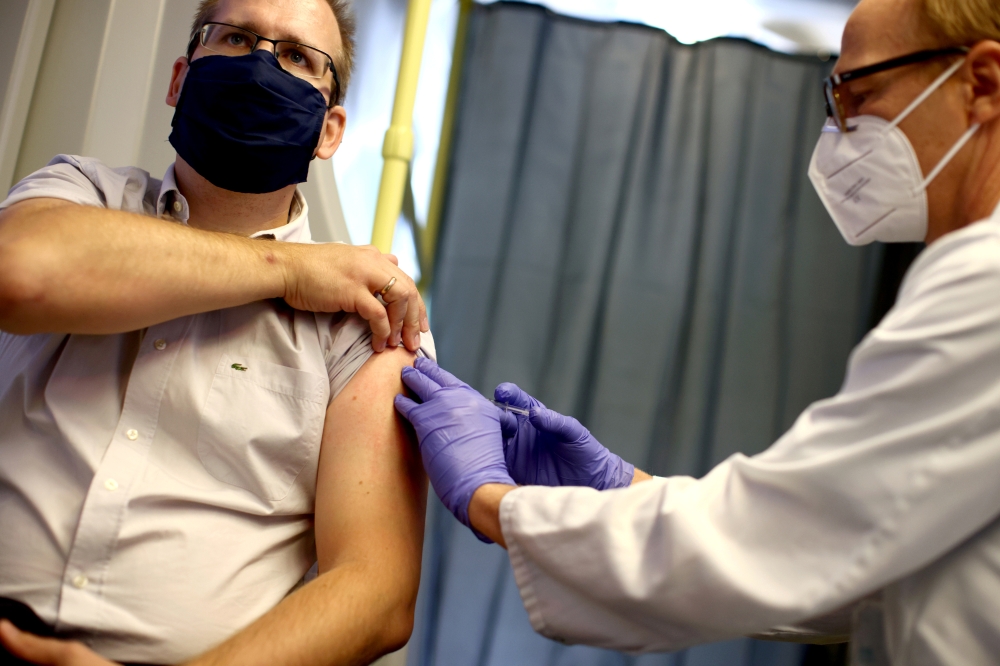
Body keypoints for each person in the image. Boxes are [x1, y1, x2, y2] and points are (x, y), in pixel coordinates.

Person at [394, 0, 1000, 662]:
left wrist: (493, 502)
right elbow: (842, 560)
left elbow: (784, 535)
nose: (840, 128)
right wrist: (624, 487)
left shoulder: (985, 284)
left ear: (984, 84)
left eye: (860, 91)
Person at [0, 1, 432, 664]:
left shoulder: (366, 317)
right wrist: (285, 268)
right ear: (179, 80)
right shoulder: (79, 191)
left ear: (330, 130)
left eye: (296, 56)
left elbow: (374, 591)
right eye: (234, 37)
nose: (261, 64)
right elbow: (20, 273)